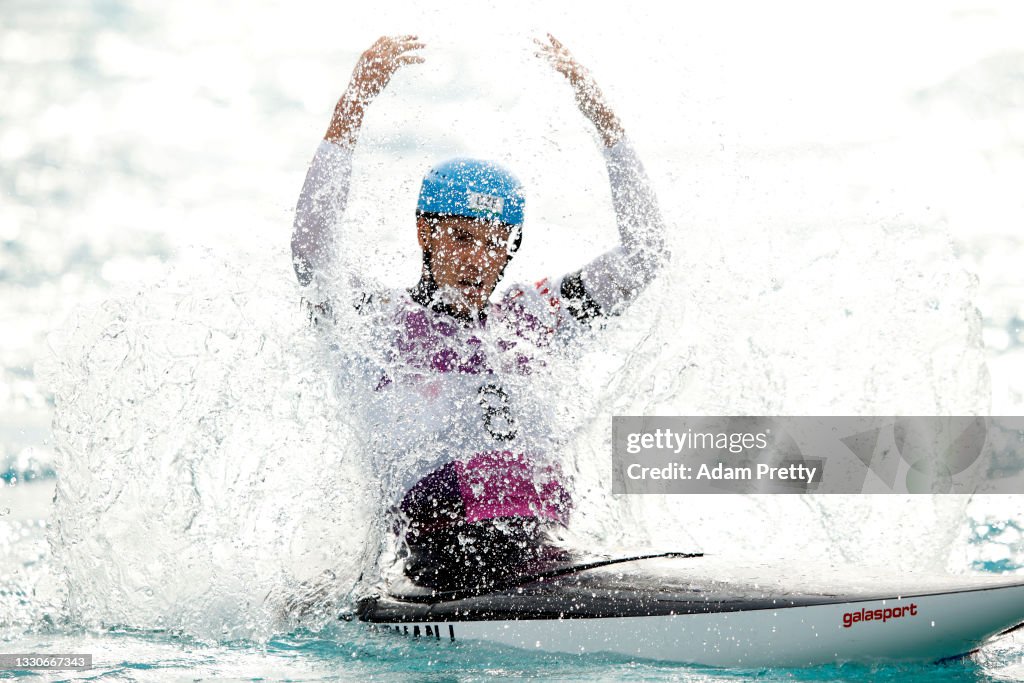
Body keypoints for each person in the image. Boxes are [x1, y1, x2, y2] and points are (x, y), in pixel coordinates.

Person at [291, 34, 666, 591]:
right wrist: (354, 106)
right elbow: (312, 247)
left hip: (535, 542)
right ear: (426, 232)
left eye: (496, 242)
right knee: (501, 474)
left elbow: (645, 253)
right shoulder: (375, 321)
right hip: (437, 543)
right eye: (462, 238)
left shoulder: (533, 317)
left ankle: (559, 569)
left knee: (538, 474)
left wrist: (603, 120)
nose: (478, 259)